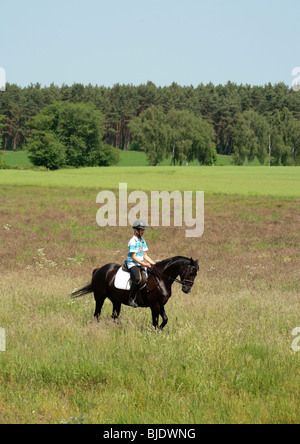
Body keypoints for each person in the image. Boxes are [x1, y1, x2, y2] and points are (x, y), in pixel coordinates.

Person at [126, 220, 156, 308]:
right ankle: (131, 298)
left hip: (141, 264)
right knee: (137, 279)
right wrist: (145, 264)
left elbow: (145, 255)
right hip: (133, 264)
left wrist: (153, 263)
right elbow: (134, 257)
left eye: (143, 230)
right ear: (136, 230)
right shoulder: (132, 241)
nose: (143, 232)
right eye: (141, 230)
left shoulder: (142, 240)